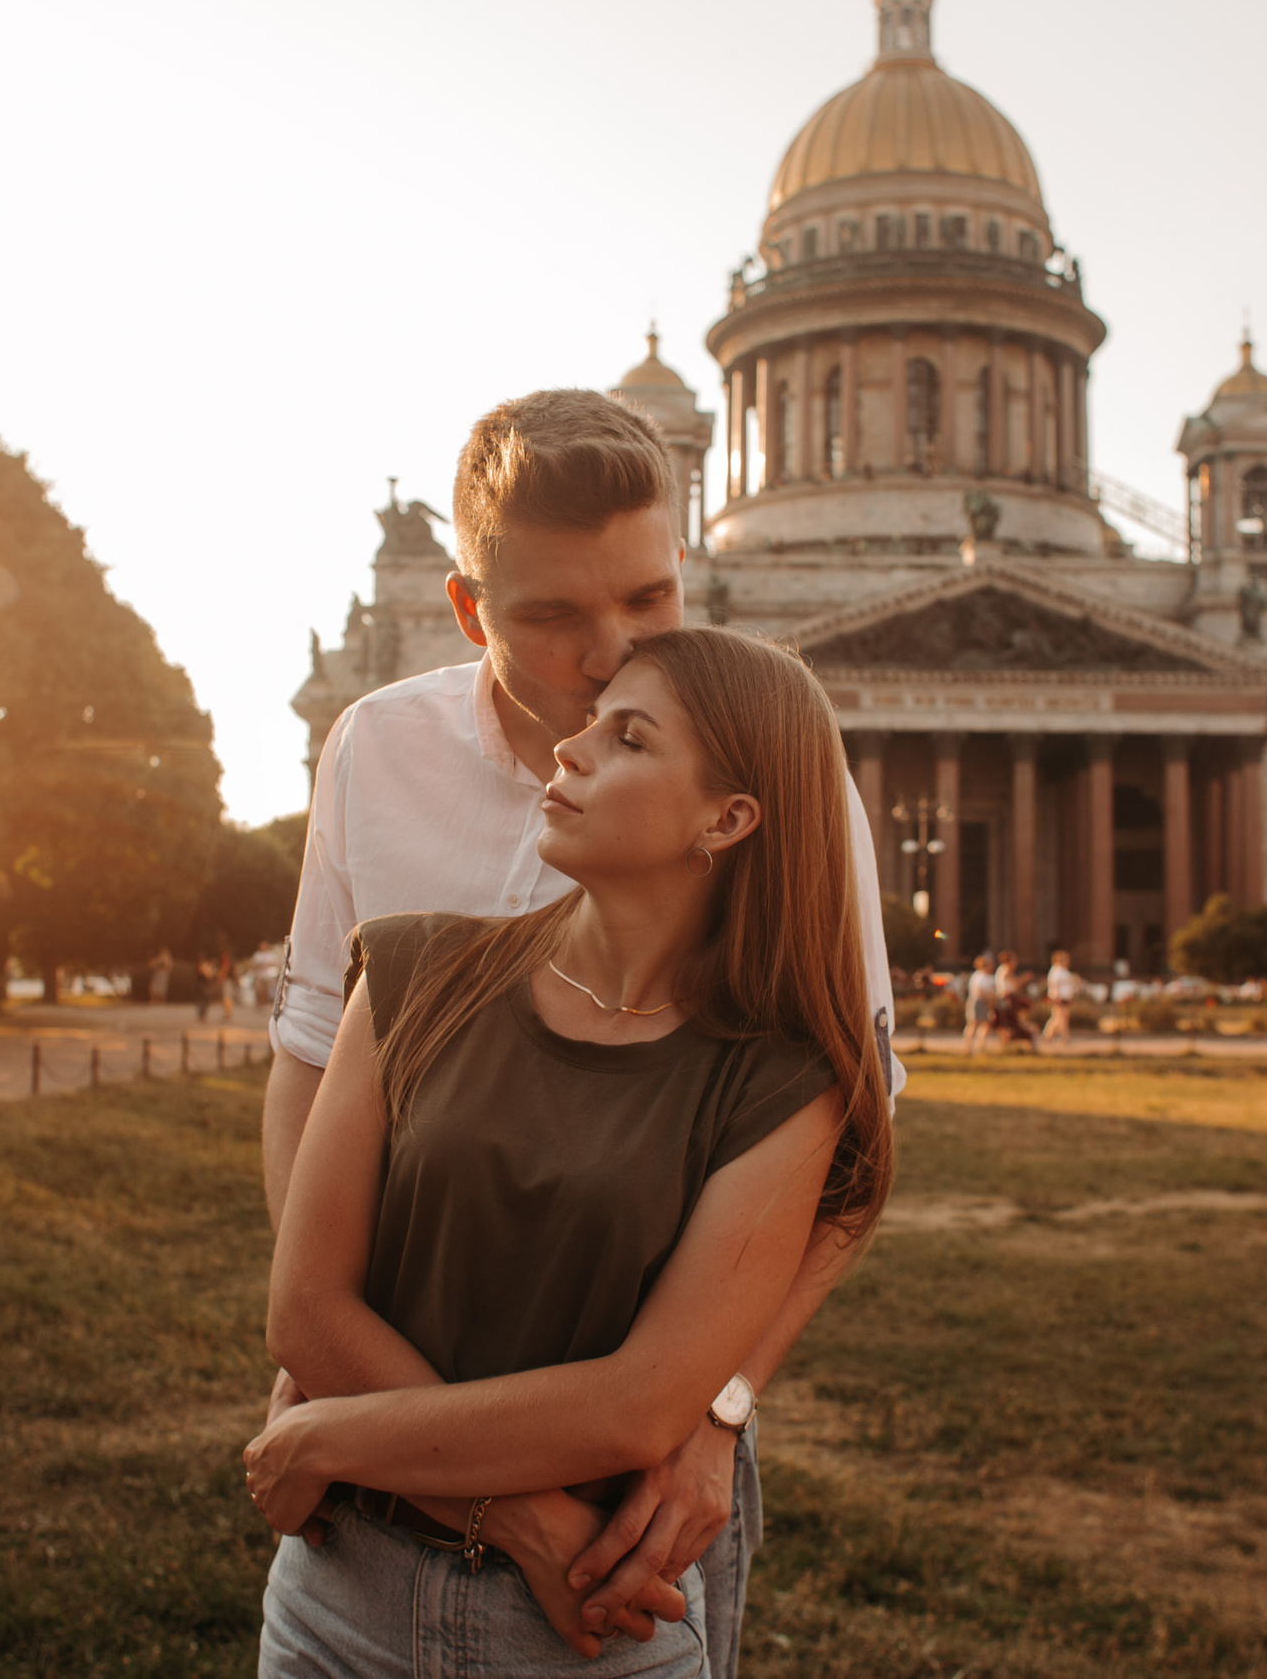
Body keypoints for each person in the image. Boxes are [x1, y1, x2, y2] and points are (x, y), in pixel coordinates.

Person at [262, 389, 901, 1673]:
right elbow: (311, 1070)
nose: (609, 651)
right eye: (553, 616)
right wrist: (362, 1390)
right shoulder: (375, 752)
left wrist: (716, 1411)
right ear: (467, 610)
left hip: (636, 1488)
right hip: (378, 1476)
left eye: (651, 602)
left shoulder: (779, 780)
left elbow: (843, 1145)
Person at [1041, 948, 1079, 1049]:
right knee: (1060, 1017)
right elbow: (1054, 985)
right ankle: (1059, 1036)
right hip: (1059, 998)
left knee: (1060, 1017)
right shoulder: (1056, 971)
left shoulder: (1063, 971)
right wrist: (1056, 997)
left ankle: (1051, 1036)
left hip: (1065, 997)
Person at [960, 954, 996, 1056]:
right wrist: (990, 996)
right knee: (974, 1024)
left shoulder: (987, 977)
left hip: (985, 1003)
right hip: (978, 1002)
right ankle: (968, 1047)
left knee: (985, 1025)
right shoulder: (979, 976)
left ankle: (981, 1047)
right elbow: (980, 991)